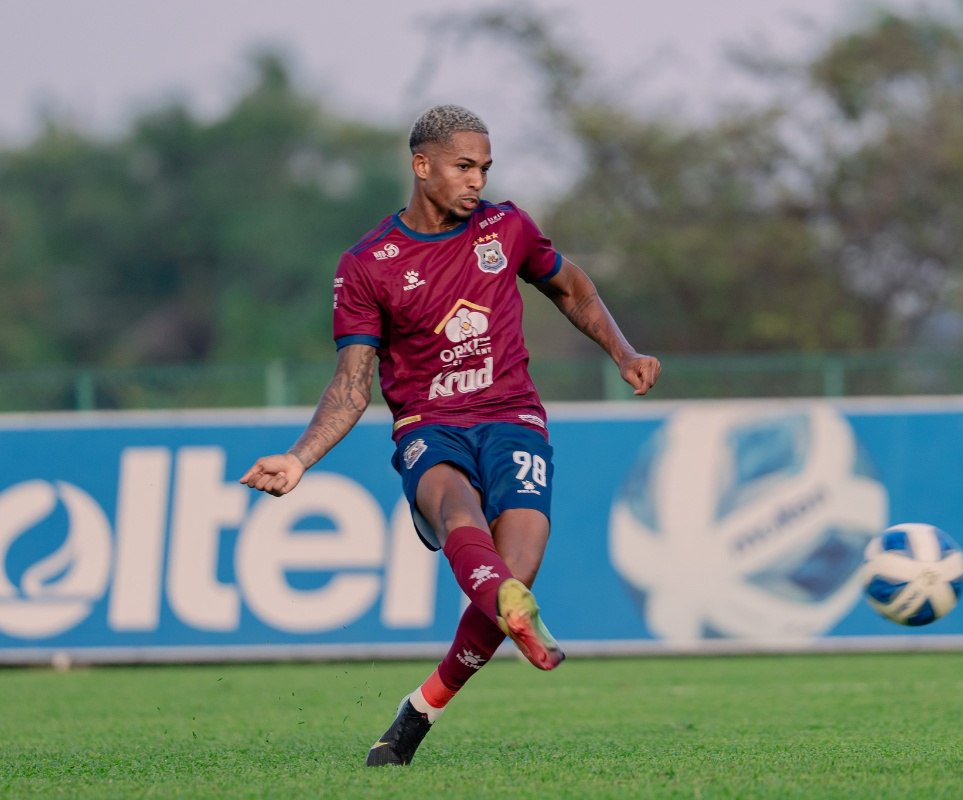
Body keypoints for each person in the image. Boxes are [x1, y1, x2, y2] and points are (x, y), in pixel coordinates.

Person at [239, 104, 661, 767]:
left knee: (513, 577)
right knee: (462, 515)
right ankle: (498, 601)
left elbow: (572, 288)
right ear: (421, 165)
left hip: (513, 416)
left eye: (485, 168)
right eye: (464, 167)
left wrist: (623, 351)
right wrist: (299, 459)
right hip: (429, 426)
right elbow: (352, 385)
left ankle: (420, 710)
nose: (477, 181)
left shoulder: (507, 227)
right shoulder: (368, 264)